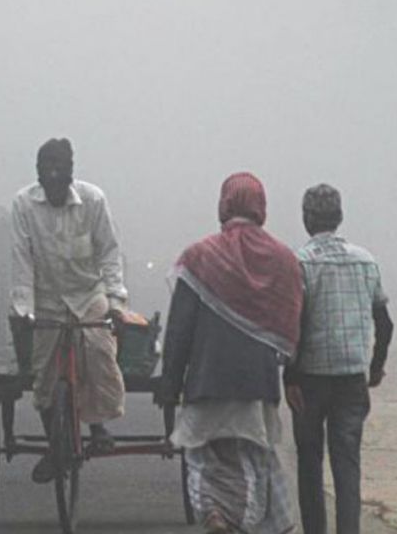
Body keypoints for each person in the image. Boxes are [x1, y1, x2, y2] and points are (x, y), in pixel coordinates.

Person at [158, 172, 302, 534]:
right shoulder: (283, 261)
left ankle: (217, 514)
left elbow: (179, 329)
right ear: (261, 208)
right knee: (252, 459)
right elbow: (293, 328)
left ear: (224, 205)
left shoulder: (199, 257)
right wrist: (293, 378)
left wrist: (170, 384)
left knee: (206, 459)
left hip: (206, 382)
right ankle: (241, 520)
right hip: (257, 385)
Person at [9, 138, 131, 483]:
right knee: (43, 373)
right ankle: (55, 446)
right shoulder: (23, 205)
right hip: (46, 298)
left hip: (88, 294)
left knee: (97, 350)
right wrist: (23, 311)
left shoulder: (93, 200)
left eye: (59, 176)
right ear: (38, 177)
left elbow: (109, 252)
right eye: (46, 177)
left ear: (71, 175)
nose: (53, 183)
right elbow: (21, 260)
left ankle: (97, 426)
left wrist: (116, 302)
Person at [284, 184, 394, 534]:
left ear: (306, 219)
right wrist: (375, 367)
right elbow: (385, 323)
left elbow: (295, 324)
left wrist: (290, 376)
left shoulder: (299, 262)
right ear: (340, 217)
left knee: (310, 462)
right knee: (347, 463)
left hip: (310, 380)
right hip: (351, 379)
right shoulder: (366, 261)